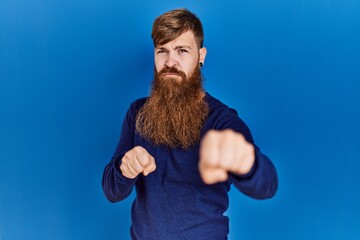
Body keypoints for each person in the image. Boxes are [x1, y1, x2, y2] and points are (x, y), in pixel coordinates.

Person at [102, 8, 278, 240]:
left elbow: (267, 184)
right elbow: (111, 191)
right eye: (162, 51)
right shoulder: (137, 112)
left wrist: (247, 162)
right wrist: (125, 167)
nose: (170, 62)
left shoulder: (221, 119)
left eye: (182, 50)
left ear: (201, 55)